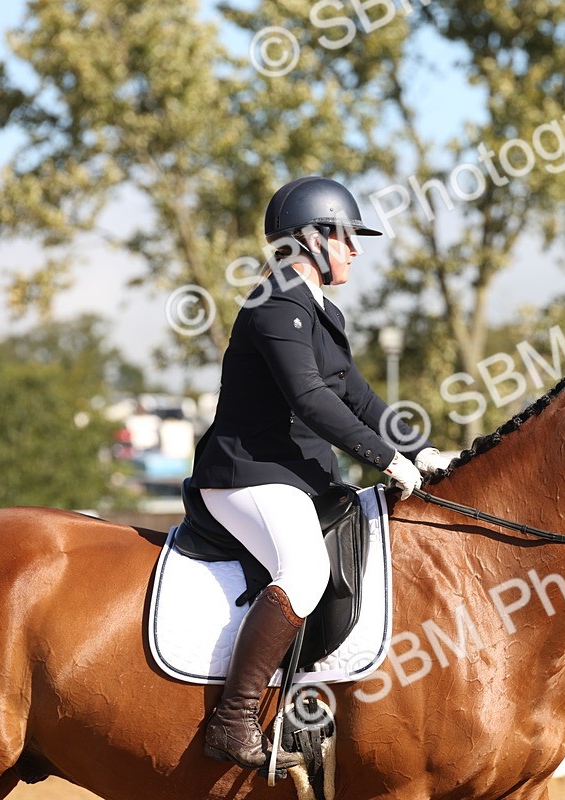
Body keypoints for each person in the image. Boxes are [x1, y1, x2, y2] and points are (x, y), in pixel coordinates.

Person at [191, 176, 453, 769]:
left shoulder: (319, 311)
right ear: (308, 240)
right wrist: (386, 460)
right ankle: (233, 720)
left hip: (297, 478)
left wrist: (425, 450)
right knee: (304, 570)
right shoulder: (274, 303)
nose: (356, 250)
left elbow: (359, 399)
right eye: (345, 238)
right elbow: (310, 400)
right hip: (247, 475)